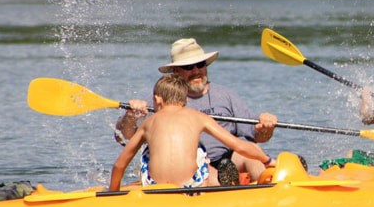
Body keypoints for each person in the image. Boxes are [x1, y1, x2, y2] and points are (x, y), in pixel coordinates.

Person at [115, 38, 278, 185]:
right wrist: (130, 116)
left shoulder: (225, 95)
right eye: (188, 66)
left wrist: (266, 129)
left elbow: (257, 138)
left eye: (200, 64)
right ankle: (227, 186)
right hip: (190, 164)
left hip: (227, 160)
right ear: (175, 72)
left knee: (253, 160)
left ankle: (271, 188)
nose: (196, 71)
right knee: (211, 172)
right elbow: (124, 139)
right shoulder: (161, 100)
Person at [109, 75, 275, 191]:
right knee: (197, 149)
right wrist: (267, 160)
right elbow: (240, 146)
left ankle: (223, 183)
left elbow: (120, 164)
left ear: (157, 100)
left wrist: (113, 192)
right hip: (192, 186)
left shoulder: (148, 123)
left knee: (147, 152)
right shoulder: (198, 117)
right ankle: (223, 188)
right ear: (185, 100)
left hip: (155, 187)